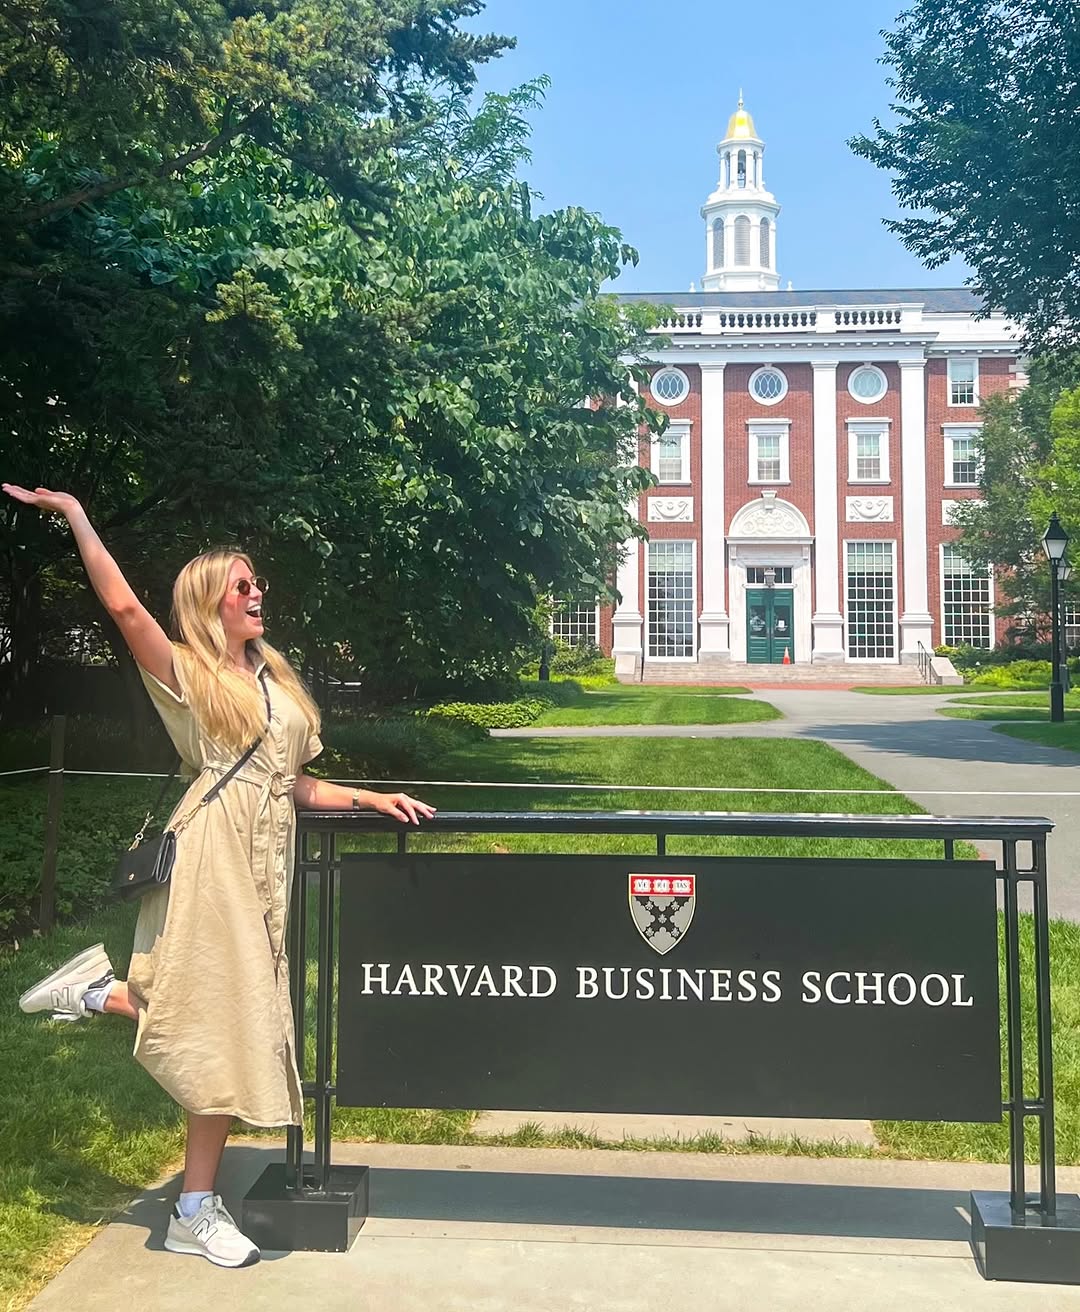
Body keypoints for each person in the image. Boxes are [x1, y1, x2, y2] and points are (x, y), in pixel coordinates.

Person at [4, 483, 435, 1268]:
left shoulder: (276, 678)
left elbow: (291, 782)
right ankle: (193, 1202)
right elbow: (125, 610)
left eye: (256, 582)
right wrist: (76, 516)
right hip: (211, 854)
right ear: (211, 604)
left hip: (265, 860)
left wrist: (368, 797)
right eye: (241, 586)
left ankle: (104, 1008)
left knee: (228, 1021)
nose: (256, 592)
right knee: (222, 1019)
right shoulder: (188, 674)